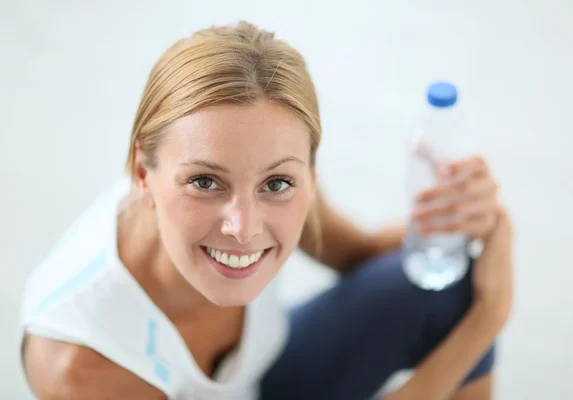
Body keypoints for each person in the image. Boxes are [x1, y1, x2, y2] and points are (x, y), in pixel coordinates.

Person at [19, 21, 513, 400]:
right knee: (473, 311)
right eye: (205, 182)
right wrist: (487, 320)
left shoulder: (271, 177)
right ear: (143, 174)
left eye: (277, 183)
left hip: (265, 374)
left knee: (449, 287)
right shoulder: (80, 363)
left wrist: (460, 219)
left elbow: (360, 253)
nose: (244, 228)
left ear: (309, 177)